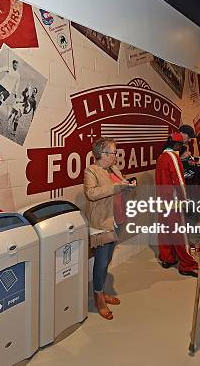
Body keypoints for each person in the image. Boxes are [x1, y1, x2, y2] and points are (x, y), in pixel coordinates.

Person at [83, 137, 136, 320]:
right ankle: (98, 297)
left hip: (117, 220)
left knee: (108, 259)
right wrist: (116, 187)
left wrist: (127, 186)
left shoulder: (114, 169)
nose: (115, 156)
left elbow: (119, 187)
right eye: (113, 152)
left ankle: (101, 290)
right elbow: (91, 194)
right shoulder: (92, 170)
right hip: (102, 223)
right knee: (102, 262)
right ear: (102, 154)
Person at [156, 132, 200, 277]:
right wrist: (185, 200)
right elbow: (179, 180)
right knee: (180, 234)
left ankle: (167, 257)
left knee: (165, 231)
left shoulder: (161, 157)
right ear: (177, 145)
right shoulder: (173, 157)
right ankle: (188, 265)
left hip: (162, 200)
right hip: (174, 201)